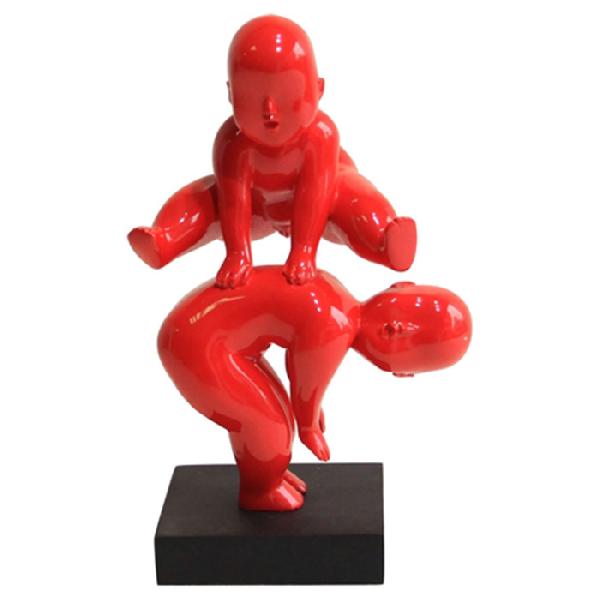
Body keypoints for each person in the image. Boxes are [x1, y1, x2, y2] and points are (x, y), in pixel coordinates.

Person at [128, 15, 417, 288]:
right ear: (230, 95)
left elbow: (314, 195)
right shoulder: (233, 142)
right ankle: (165, 239)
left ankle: (384, 239)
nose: (270, 112)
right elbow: (234, 201)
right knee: (204, 199)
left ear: (319, 90)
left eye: (288, 97)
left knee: (353, 196)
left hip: (325, 200)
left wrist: (303, 252)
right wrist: (238, 255)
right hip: (259, 208)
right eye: (252, 99)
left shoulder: (321, 135)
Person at [158, 266, 471, 510]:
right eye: (405, 369)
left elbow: (306, 375)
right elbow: (305, 380)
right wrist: (308, 427)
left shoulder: (337, 297)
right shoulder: (335, 327)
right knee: (267, 423)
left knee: (274, 415)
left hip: (208, 334)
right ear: (394, 332)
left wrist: (308, 409)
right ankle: (259, 491)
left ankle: (268, 472)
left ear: (399, 287)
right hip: (195, 345)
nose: (401, 375)